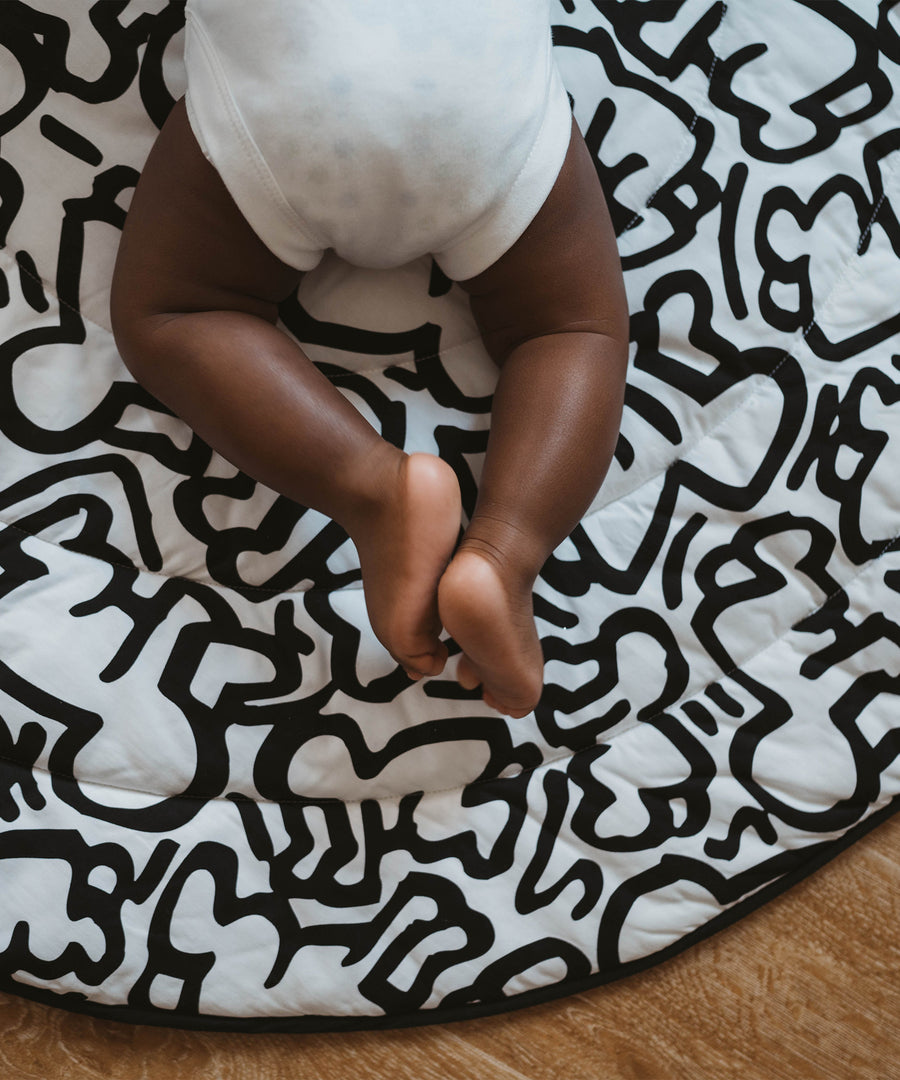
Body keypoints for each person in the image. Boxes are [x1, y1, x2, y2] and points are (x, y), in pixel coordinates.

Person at [109, 0, 628, 719]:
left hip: (290, 112)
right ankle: (505, 554)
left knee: (177, 316)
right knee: (570, 332)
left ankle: (376, 491)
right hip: (475, 103)